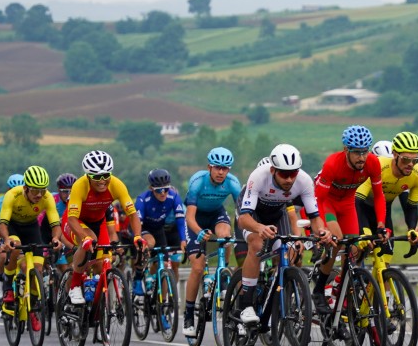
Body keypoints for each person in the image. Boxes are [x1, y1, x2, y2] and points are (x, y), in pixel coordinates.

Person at [235, 143, 330, 329]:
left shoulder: (303, 181)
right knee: (256, 244)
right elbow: (243, 219)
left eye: (293, 173)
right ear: (272, 170)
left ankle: (276, 302)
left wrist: (322, 232)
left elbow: (315, 217)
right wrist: (258, 227)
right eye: (284, 174)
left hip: (277, 214)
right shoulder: (259, 177)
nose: (289, 179)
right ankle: (246, 305)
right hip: (252, 215)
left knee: (290, 251)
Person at [311, 125, 387, 315]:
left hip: (347, 204)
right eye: (357, 153)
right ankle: (319, 289)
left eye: (365, 151)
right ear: (346, 150)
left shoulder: (372, 163)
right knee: (336, 239)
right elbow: (319, 199)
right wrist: (322, 228)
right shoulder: (332, 164)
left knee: (354, 248)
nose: (362, 157)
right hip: (327, 202)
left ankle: (342, 293)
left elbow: (378, 196)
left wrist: (380, 225)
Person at [63, 150, 142, 308]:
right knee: (89, 240)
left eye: (106, 175)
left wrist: (137, 237)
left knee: (103, 263)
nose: (102, 181)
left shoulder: (116, 184)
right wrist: (83, 238)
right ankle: (75, 286)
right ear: (88, 176)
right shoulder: (80, 186)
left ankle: (96, 306)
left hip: (99, 222)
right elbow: (72, 218)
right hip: (76, 221)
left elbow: (132, 214)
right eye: (96, 177)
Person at [181, 147, 244, 336]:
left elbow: (242, 213)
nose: (221, 172)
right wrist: (199, 232)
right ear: (209, 167)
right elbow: (189, 217)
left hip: (216, 213)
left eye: (225, 168)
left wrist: (244, 234)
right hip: (196, 218)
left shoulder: (233, 183)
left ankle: (223, 276)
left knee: (226, 236)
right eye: (217, 168)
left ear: (229, 170)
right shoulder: (197, 182)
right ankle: (189, 314)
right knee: (198, 267)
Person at [0, 165, 62, 322]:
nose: (39, 195)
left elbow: (55, 225)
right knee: (14, 245)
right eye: (34, 190)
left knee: (37, 269)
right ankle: (8, 288)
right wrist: (6, 240)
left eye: (43, 190)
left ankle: (33, 304)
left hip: (31, 227)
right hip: (13, 226)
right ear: (25, 188)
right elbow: (3, 223)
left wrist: (56, 239)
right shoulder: (13, 195)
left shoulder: (47, 198)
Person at [356, 131, 418, 257]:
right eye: (406, 159)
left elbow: (411, 207)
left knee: (387, 254)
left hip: (383, 211)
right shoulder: (378, 166)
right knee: (358, 250)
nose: (410, 164)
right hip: (360, 207)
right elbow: (357, 201)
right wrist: (363, 230)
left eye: (415, 160)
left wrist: (411, 229)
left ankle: (383, 276)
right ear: (394, 155)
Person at [135, 168, 187, 301]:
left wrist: (183, 240)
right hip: (143, 228)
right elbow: (138, 224)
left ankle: (162, 305)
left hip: (159, 229)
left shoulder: (174, 196)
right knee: (150, 243)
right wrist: (139, 240)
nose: (163, 192)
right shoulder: (143, 199)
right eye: (158, 190)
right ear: (151, 188)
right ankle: (138, 277)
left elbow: (180, 220)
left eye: (166, 189)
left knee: (163, 265)